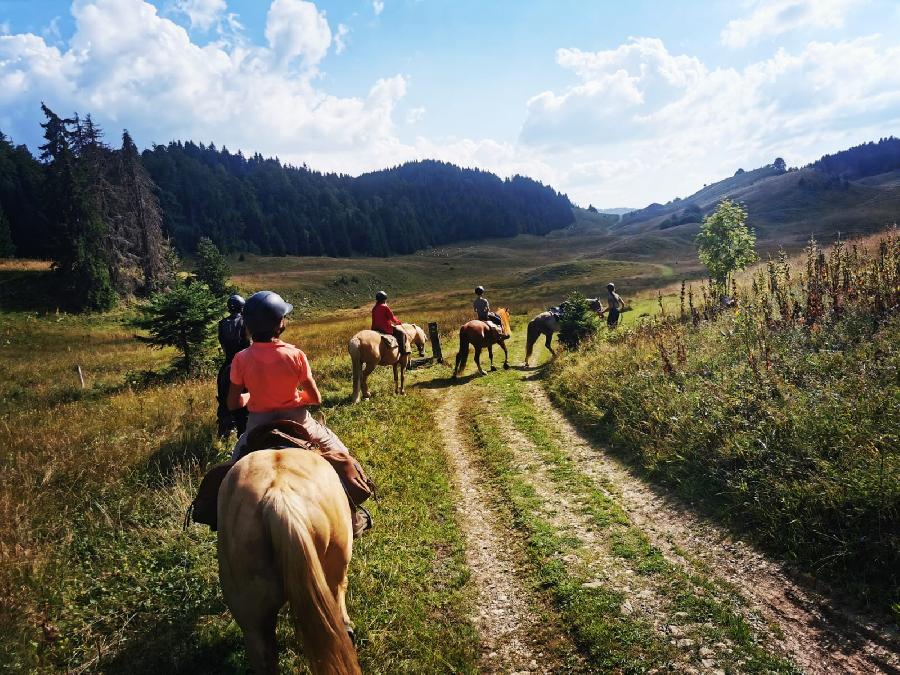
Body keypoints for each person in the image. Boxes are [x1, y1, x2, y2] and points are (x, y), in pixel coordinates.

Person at [226, 290, 371, 536]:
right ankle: (352, 516)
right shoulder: (295, 354)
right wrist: (294, 397)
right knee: (343, 456)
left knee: (231, 472)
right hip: (300, 422)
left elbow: (233, 403)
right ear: (280, 323)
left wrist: (253, 397)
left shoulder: (240, 359)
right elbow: (315, 398)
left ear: (249, 326)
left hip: (257, 426)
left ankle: (226, 521)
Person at [216, 294, 250, 438]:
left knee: (221, 387)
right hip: (244, 361)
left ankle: (224, 420)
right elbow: (249, 342)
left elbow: (223, 344)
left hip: (228, 360)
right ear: (242, 307)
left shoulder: (222, 323)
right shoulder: (245, 321)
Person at [371, 290, 410, 355]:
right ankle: (402, 351)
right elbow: (392, 318)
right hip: (385, 329)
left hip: (375, 329)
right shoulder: (385, 307)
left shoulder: (374, 308)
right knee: (401, 333)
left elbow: (374, 320)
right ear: (384, 299)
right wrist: (398, 322)